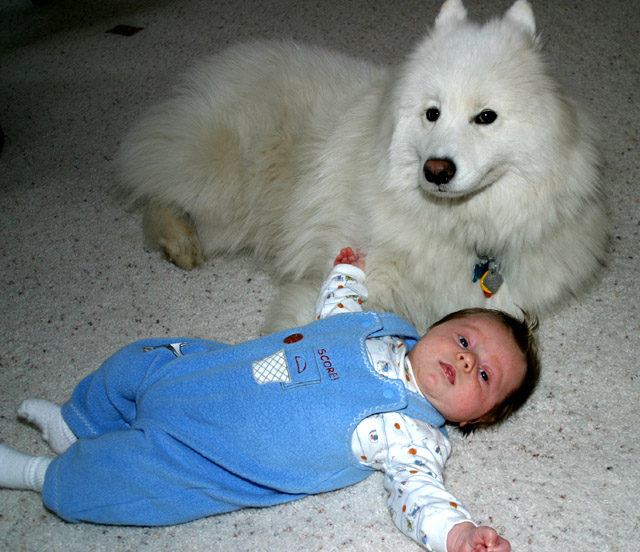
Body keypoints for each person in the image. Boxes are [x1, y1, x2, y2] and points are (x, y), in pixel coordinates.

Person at [0, 248, 540, 552]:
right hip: (206, 372)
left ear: (481, 417)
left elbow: (418, 497)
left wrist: (460, 534)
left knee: (126, 479)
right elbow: (338, 311)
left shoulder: (411, 434)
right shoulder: (379, 328)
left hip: (213, 453)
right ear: (433, 330)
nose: (468, 360)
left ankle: (35, 472)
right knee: (137, 360)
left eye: (486, 375)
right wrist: (347, 271)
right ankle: (79, 422)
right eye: (465, 340)